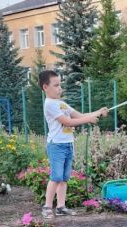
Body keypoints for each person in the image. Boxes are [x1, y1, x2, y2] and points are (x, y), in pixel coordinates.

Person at [39, 70, 107, 218]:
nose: (60, 88)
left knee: (64, 178)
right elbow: (68, 122)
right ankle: (47, 207)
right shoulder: (50, 104)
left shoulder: (61, 104)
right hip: (56, 145)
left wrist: (98, 112)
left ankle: (61, 207)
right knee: (56, 177)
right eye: (56, 85)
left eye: (60, 85)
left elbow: (81, 116)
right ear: (45, 87)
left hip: (68, 144)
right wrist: (89, 119)